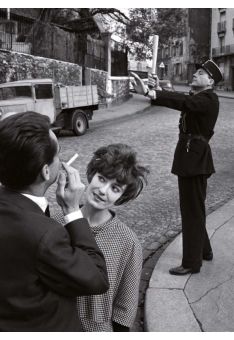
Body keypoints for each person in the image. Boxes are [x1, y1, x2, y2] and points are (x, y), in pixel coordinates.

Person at [0, 111, 109, 331]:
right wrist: (72, 211)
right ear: (46, 170)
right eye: (58, 154)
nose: (61, 159)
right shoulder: (45, 234)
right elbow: (96, 279)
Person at [131, 59, 223, 275]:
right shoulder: (201, 97)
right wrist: (157, 89)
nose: (194, 75)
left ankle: (192, 263)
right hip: (191, 157)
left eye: (200, 73)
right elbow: (183, 99)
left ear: (210, 81)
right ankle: (204, 251)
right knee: (195, 208)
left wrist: (152, 94)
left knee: (191, 211)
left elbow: (184, 102)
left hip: (194, 160)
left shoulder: (208, 99)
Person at [76, 143, 149, 331]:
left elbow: (125, 308)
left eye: (115, 188)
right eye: (101, 179)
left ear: (122, 196)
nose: (103, 190)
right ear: (92, 175)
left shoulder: (128, 241)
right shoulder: (56, 221)